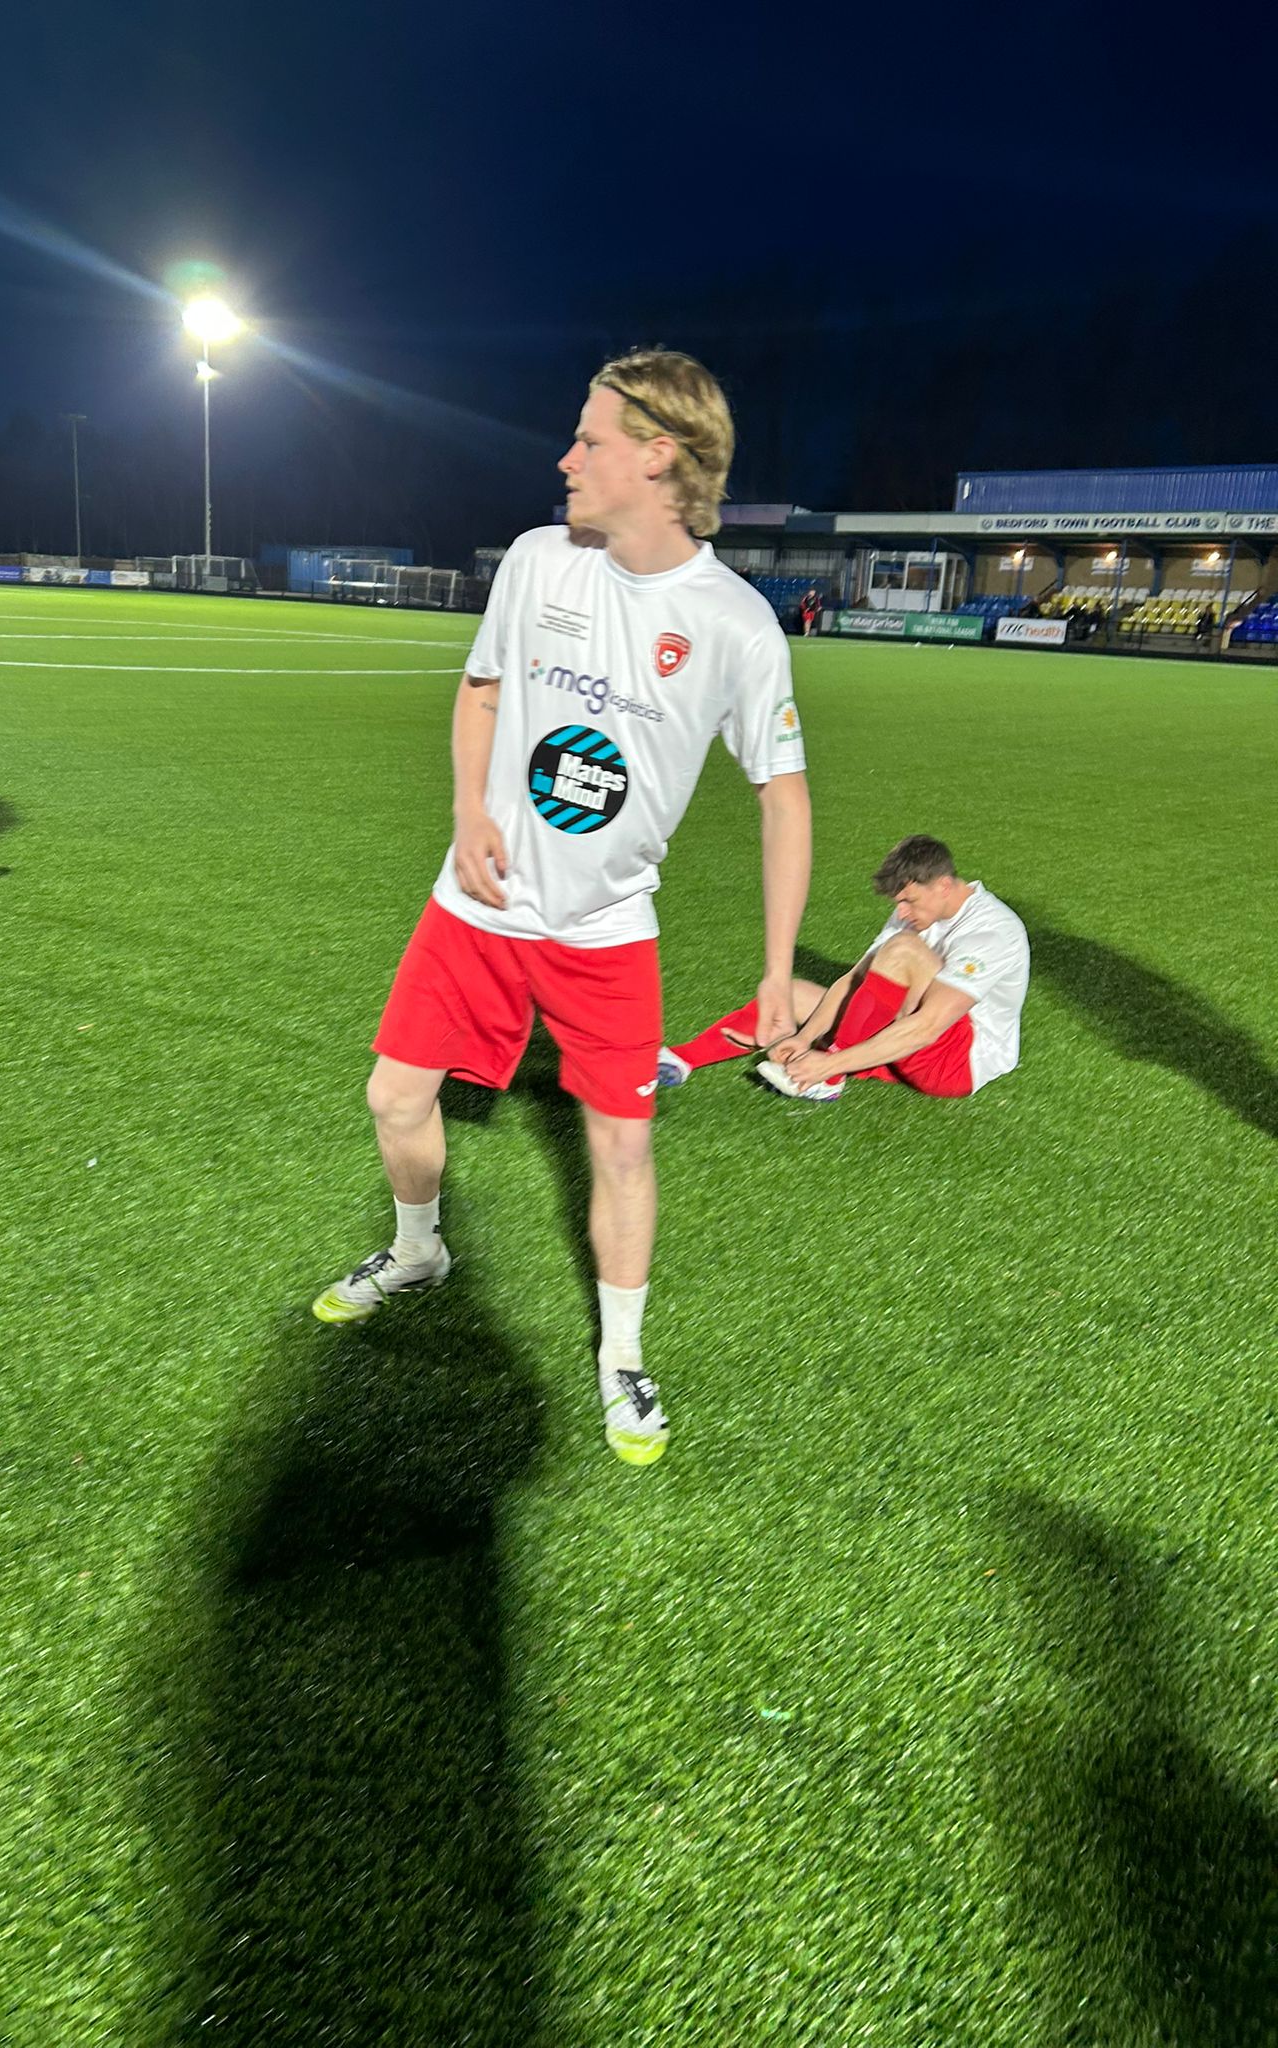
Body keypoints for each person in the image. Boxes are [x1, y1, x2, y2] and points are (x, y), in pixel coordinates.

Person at [311, 350, 813, 1466]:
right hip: (478, 906)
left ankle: (622, 1355)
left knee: (622, 1149)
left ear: (658, 455)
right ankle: (418, 1249)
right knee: (394, 1095)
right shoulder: (539, 561)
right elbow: (482, 689)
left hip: (605, 932)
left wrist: (779, 969)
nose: (565, 459)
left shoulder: (736, 626)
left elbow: (783, 798)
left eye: (589, 439)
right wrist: (466, 809)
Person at [657, 834, 1027, 1102]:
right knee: (794, 994)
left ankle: (829, 1075)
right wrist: (805, 1038)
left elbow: (928, 1027)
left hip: (957, 1062)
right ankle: (681, 1059)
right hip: (904, 1042)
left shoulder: (993, 930)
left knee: (903, 950)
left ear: (944, 886)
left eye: (909, 901)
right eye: (898, 902)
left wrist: (827, 1063)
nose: (901, 912)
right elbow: (853, 979)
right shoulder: (915, 912)